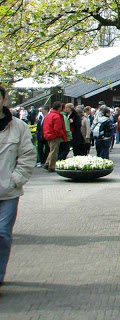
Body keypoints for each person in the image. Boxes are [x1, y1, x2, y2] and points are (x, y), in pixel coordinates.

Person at [0, 84, 36, 285]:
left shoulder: (18, 127)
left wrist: (16, 179)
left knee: (2, 235)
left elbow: (28, 156)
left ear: (3, 100)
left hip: (8, 191)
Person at [43, 102, 67, 172]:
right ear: (59, 108)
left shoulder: (48, 115)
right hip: (54, 136)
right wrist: (61, 135)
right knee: (54, 151)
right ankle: (51, 166)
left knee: (51, 150)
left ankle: (47, 163)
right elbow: (57, 128)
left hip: (48, 134)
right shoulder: (57, 116)